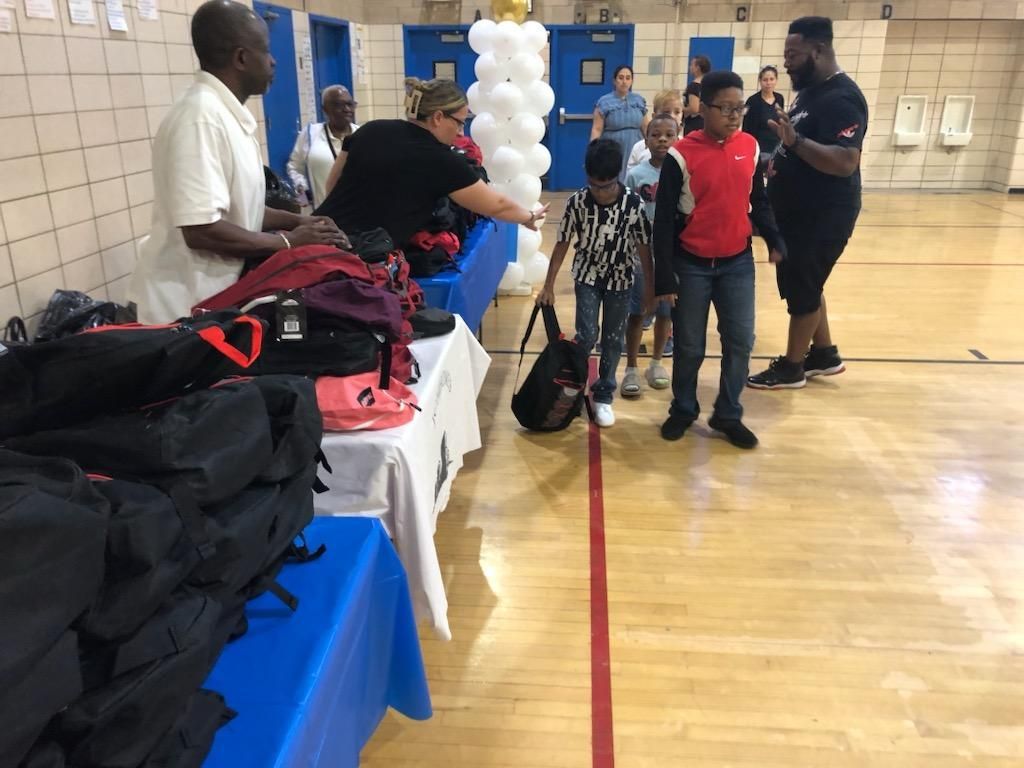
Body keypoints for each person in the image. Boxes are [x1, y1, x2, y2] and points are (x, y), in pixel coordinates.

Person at [128, 0, 347, 324]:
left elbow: (241, 209)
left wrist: (298, 222)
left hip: (219, 295)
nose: (273, 62)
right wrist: (287, 242)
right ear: (242, 58)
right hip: (183, 305)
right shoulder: (200, 119)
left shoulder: (225, 114)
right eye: (266, 51)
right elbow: (201, 229)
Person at [653, 71, 786, 449]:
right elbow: (663, 220)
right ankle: (683, 408)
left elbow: (756, 200)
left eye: (738, 107)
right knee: (690, 346)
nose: (733, 115)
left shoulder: (751, 146)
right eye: (724, 108)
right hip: (691, 264)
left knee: (741, 341)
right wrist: (665, 278)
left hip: (737, 264)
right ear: (704, 109)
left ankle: (728, 413)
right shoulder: (682, 154)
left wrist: (774, 239)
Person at [747, 16, 868, 390]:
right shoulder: (811, 93)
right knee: (809, 283)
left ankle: (792, 367)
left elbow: (846, 161)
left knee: (803, 286)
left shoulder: (842, 98)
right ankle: (824, 354)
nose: (786, 63)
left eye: (793, 54)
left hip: (822, 215)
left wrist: (795, 142)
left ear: (819, 50)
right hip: (797, 211)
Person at [315, 78, 546, 248]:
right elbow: (497, 204)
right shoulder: (441, 160)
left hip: (314, 232)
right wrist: (528, 217)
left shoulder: (371, 129)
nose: (459, 132)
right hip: (354, 254)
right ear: (437, 117)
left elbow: (332, 184)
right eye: (458, 123)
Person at [536, 139, 654, 429]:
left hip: (621, 279)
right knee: (586, 335)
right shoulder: (577, 202)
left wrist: (650, 288)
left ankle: (603, 394)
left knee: (614, 339)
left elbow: (643, 249)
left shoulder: (633, 204)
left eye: (607, 187)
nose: (600, 193)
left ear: (618, 178)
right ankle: (575, 389)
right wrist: (548, 285)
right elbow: (562, 243)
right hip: (587, 276)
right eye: (594, 186)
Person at [621, 113, 678, 398]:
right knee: (638, 311)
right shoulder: (636, 174)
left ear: (677, 138)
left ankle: (656, 363)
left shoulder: (681, 173)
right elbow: (627, 213)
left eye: (669, 134)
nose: (662, 139)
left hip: (670, 255)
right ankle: (631, 366)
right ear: (646, 139)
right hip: (639, 255)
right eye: (656, 135)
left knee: (666, 311)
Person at [287, 85, 359, 208]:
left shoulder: (362, 135)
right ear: (325, 109)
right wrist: (301, 188)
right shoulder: (310, 134)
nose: (347, 109)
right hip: (322, 214)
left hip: (357, 215)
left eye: (350, 104)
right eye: (339, 105)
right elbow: (294, 167)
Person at [590, 65, 650, 182]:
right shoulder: (604, 101)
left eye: (628, 78)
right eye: (621, 78)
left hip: (636, 146)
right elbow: (597, 129)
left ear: (632, 81)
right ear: (614, 80)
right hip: (613, 147)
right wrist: (593, 151)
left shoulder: (638, 100)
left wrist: (650, 145)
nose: (624, 81)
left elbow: (646, 127)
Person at [626, 89, 684, 172]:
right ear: (654, 116)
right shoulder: (639, 148)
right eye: (666, 112)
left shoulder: (686, 146)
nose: (672, 116)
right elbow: (630, 178)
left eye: (677, 112)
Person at [743, 65, 785, 167]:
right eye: (765, 80)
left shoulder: (779, 98)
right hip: (759, 149)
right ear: (760, 81)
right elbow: (746, 126)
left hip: (776, 148)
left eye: (772, 79)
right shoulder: (752, 101)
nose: (768, 83)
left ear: (776, 80)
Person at [682, 55, 711, 135]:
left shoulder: (694, 86)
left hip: (694, 125)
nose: (690, 67)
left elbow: (694, 108)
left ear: (697, 68)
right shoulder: (709, 85)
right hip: (706, 123)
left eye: (692, 65)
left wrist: (681, 109)